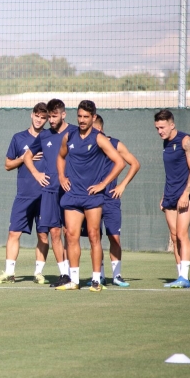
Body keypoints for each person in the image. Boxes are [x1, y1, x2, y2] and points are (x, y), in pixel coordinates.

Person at [56, 100, 125, 292]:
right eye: (79, 116)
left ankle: (96, 280)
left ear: (93, 118)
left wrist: (103, 184)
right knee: (71, 236)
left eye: (86, 117)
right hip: (72, 195)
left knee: (94, 236)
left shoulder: (99, 138)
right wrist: (61, 176)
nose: (82, 120)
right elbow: (60, 157)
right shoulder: (69, 136)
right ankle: (74, 280)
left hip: (92, 197)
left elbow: (119, 162)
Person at [0, 102, 50, 284]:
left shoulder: (50, 138)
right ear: (31, 115)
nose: (39, 120)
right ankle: (9, 273)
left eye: (43, 117)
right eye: (37, 116)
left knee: (43, 235)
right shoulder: (18, 138)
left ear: (47, 119)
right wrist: (24, 158)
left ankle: (38, 273)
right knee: (13, 233)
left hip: (45, 194)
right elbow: (7, 165)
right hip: (24, 195)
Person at [23, 98, 75, 287]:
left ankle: (75, 274)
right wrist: (37, 174)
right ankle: (64, 275)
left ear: (63, 114)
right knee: (54, 232)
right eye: (49, 117)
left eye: (54, 116)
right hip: (50, 190)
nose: (51, 120)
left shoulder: (74, 132)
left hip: (71, 190)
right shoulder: (44, 136)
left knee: (70, 233)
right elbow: (27, 156)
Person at [84, 114, 141, 287]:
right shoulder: (85, 145)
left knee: (113, 236)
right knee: (94, 237)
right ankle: (99, 275)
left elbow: (134, 163)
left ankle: (117, 276)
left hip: (110, 199)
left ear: (99, 128)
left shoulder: (115, 144)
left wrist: (122, 185)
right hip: (91, 199)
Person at [154, 109, 190, 288]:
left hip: (185, 195)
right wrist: (165, 196)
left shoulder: (186, 140)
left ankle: (185, 277)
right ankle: (180, 276)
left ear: (172, 125)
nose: (160, 131)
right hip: (170, 196)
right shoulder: (165, 143)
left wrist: (186, 194)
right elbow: (171, 174)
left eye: (162, 127)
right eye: (157, 128)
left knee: (181, 234)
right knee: (174, 237)